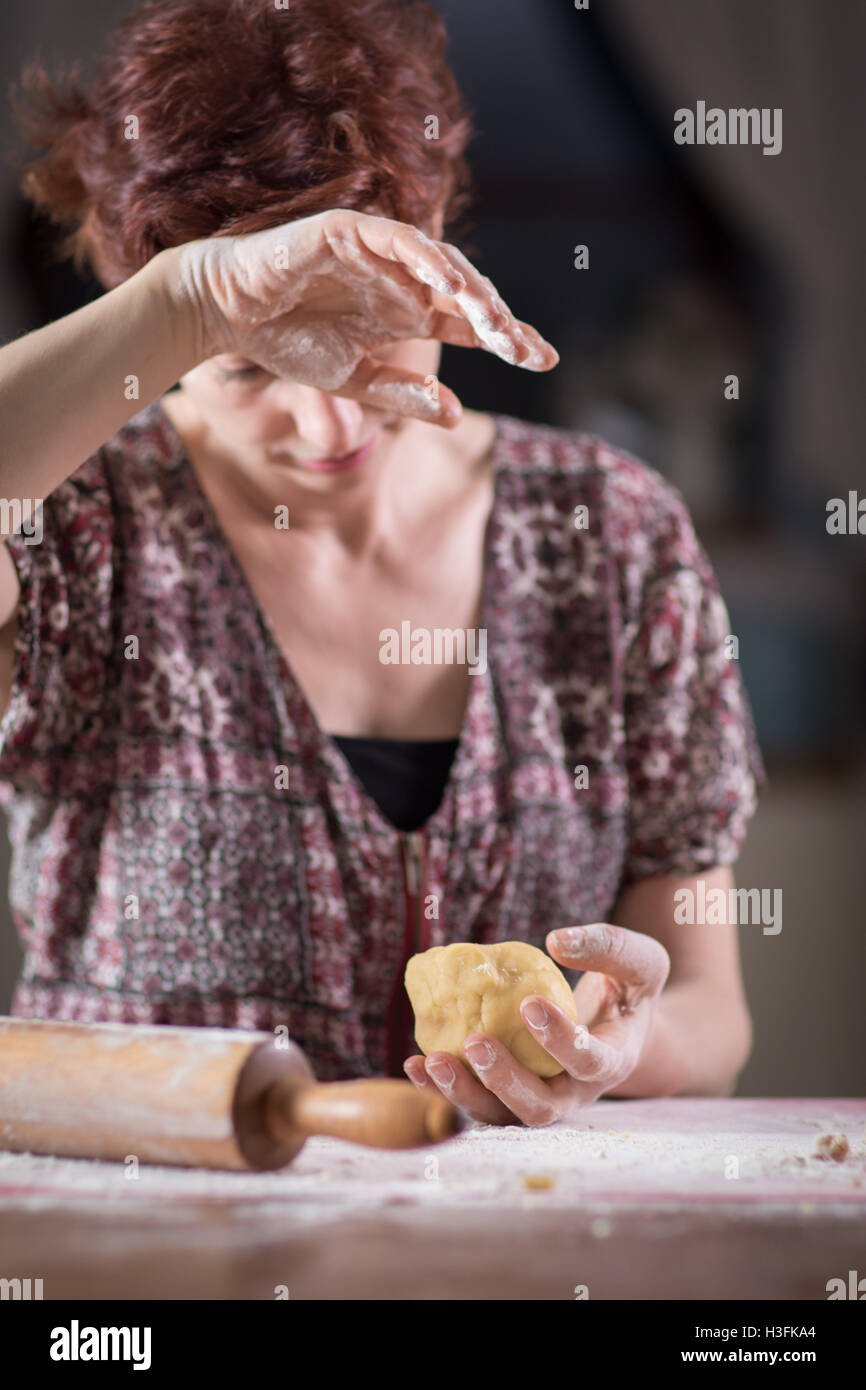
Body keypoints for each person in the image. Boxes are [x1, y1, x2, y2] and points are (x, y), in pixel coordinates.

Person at [0, 0, 762, 1125]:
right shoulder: (72, 521)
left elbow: (709, 1009)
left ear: (437, 224)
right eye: (248, 366)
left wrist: (627, 1043)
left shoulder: (612, 535)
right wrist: (191, 297)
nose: (326, 426)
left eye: (365, 324)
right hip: (148, 1251)